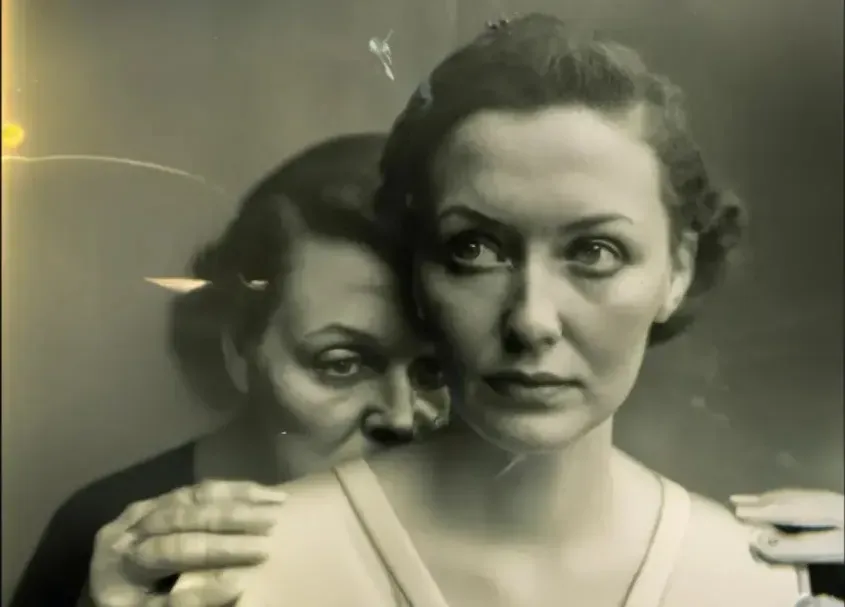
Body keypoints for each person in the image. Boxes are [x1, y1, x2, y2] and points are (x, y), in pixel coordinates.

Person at [202, 14, 820, 606]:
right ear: (417, 269)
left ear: (677, 270)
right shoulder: (254, 572)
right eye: (473, 249)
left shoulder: (758, 581)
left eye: (595, 252)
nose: (531, 320)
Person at [7, 133, 450, 607]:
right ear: (240, 349)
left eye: (439, 367)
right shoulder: (115, 542)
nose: (402, 417)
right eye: (341, 364)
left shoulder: (489, 519)